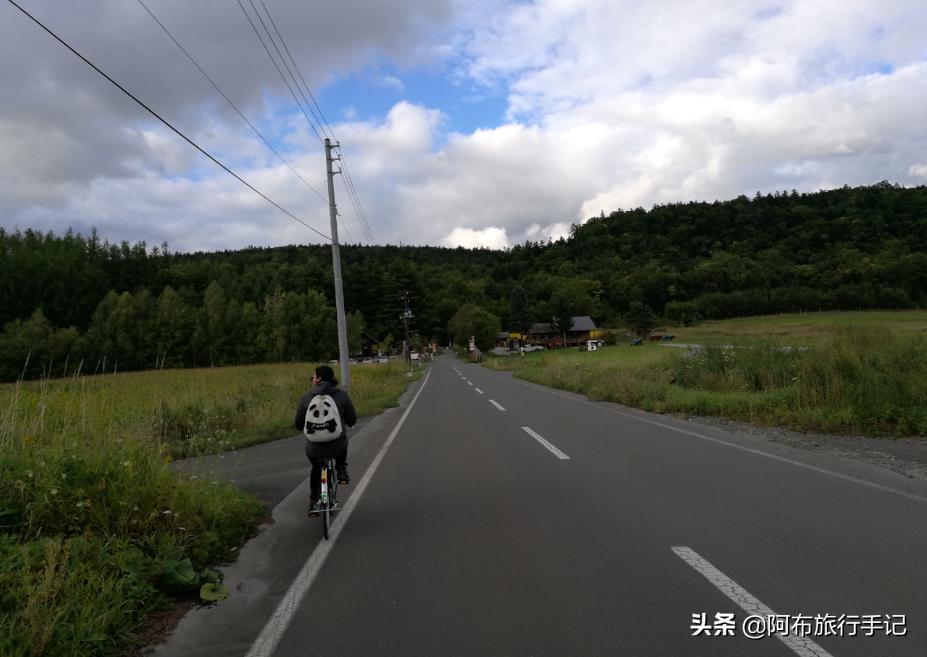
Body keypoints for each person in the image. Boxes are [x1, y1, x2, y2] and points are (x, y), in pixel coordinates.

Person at [294, 365, 357, 517]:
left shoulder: (307, 397)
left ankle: (314, 501)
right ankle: (341, 469)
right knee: (343, 442)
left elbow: (298, 424)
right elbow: (352, 420)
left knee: (316, 468)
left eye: (313, 376)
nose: (312, 379)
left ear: (319, 379)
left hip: (314, 448)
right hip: (337, 446)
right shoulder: (341, 395)